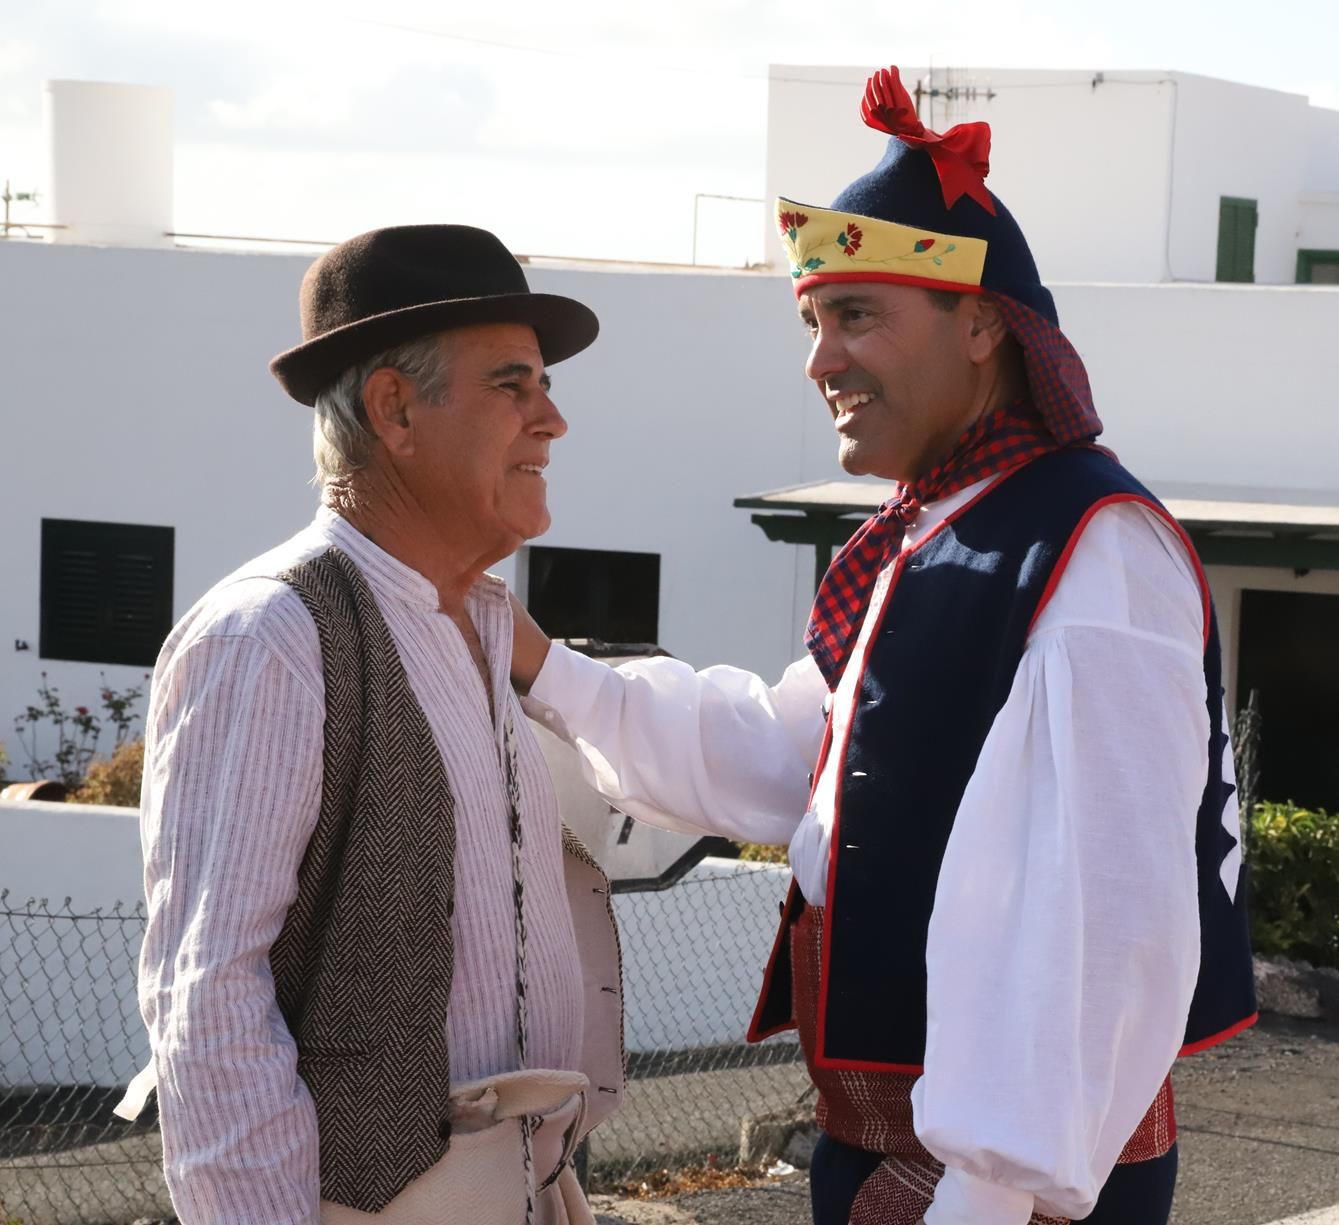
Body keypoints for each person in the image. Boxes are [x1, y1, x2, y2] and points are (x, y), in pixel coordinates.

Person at [513, 67, 1256, 1225]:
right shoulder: (924, 537)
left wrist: (983, 1188)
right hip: (901, 1158)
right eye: (814, 323)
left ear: (979, 324)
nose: (820, 362)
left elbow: (1102, 918)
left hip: (1000, 1186)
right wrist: (539, 665)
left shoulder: (1093, 551)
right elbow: (781, 758)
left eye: (857, 316)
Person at [119, 225, 624, 1225]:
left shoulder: (482, 624)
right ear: (395, 408)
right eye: (512, 385)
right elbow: (209, 992)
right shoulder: (271, 633)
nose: (552, 420)